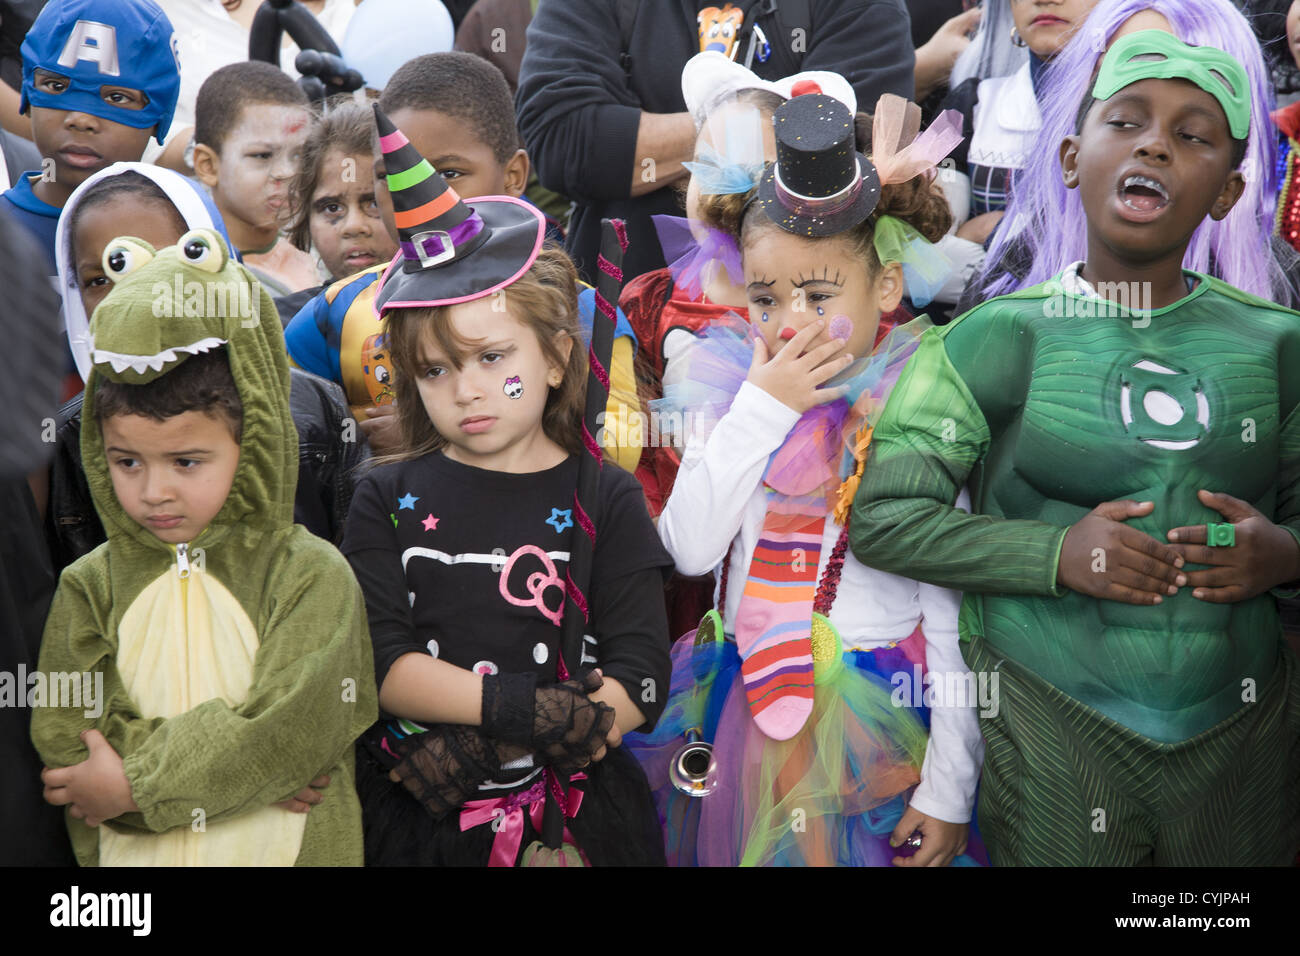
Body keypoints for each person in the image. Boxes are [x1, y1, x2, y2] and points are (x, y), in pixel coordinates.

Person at [852, 30, 1300, 866]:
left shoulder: (1278, 346)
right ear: (1068, 156)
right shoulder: (994, 339)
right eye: (1126, 122)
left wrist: (1284, 555)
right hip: (1058, 735)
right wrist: (1056, 555)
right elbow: (885, 521)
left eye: (1193, 135)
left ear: (1231, 189)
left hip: (1239, 743)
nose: (1156, 144)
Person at [628, 92, 984, 867]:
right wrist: (757, 412)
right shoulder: (732, 399)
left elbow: (953, 621)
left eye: (820, 297)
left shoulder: (914, 416)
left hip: (871, 735)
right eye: (765, 297)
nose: (789, 323)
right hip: (734, 713)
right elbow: (688, 549)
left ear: (886, 288)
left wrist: (950, 788)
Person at [341, 106, 672, 866]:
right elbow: (385, 665)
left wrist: (519, 740)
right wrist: (521, 711)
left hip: (580, 821)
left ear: (558, 358)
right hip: (427, 820)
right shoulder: (384, 498)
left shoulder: (606, 496)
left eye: (492, 357)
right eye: (435, 369)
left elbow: (641, 680)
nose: (466, 390)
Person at [30, 226, 377, 865]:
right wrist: (243, 781)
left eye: (187, 462)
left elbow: (293, 730)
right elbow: (64, 735)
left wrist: (128, 787)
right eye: (126, 462)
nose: (154, 491)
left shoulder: (309, 575)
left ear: (256, 443)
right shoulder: (89, 584)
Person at [284, 53, 642, 468]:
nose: (417, 194)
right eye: (390, 176)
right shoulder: (335, 314)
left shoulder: (582, 311)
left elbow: (620, 449)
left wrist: (434, 434)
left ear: (513, 176)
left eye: (449, 173)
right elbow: (289, 441)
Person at [46, 163, 365, 571]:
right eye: (101, 278)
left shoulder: (314, 405)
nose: (139, 292)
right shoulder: (68, 438)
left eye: (171, 262)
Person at [516, 0, 917, 287]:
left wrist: (719, 128)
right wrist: (753, 121)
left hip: (807, 323)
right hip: (621, 327)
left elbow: (857, 142)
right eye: (710, 168)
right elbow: (561, 138)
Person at [968, 0, 1298, 309]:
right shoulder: (1017, 268)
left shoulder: (1276, 291)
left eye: (1190, 132)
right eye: (1125, 115)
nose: (1153, 143)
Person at [0, 0, 181, 266]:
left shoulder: (188, 242)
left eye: (117, 97)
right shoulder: (6, 234)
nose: (82, 120)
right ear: (28, 94)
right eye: (56, 86)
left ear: (159, 116)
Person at [192, 60, 319, 295]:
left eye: (300, 155)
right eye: (262, 155)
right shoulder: (192, 277)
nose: (287, 172)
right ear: (208, 166)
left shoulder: (323, 255)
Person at [277, 97, 398, 325]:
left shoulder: (464, 314)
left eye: (374, 203)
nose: (353, 226)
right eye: (332, 208)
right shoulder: (281, 329)